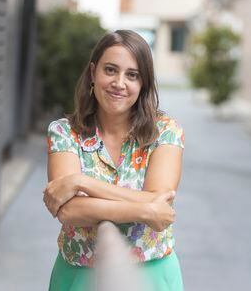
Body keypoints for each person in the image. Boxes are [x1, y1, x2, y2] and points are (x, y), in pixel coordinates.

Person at [43, 30, 185, 290]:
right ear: (93, 73)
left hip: (152, 275)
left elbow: (161, 200)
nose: (119, 83)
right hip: (78, 275)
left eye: (132, 75)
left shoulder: (165, 131)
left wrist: (81, 182)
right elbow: (70, 211)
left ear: (143, 83)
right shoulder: (64, 132)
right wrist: (144, 210)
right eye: (110, 70)